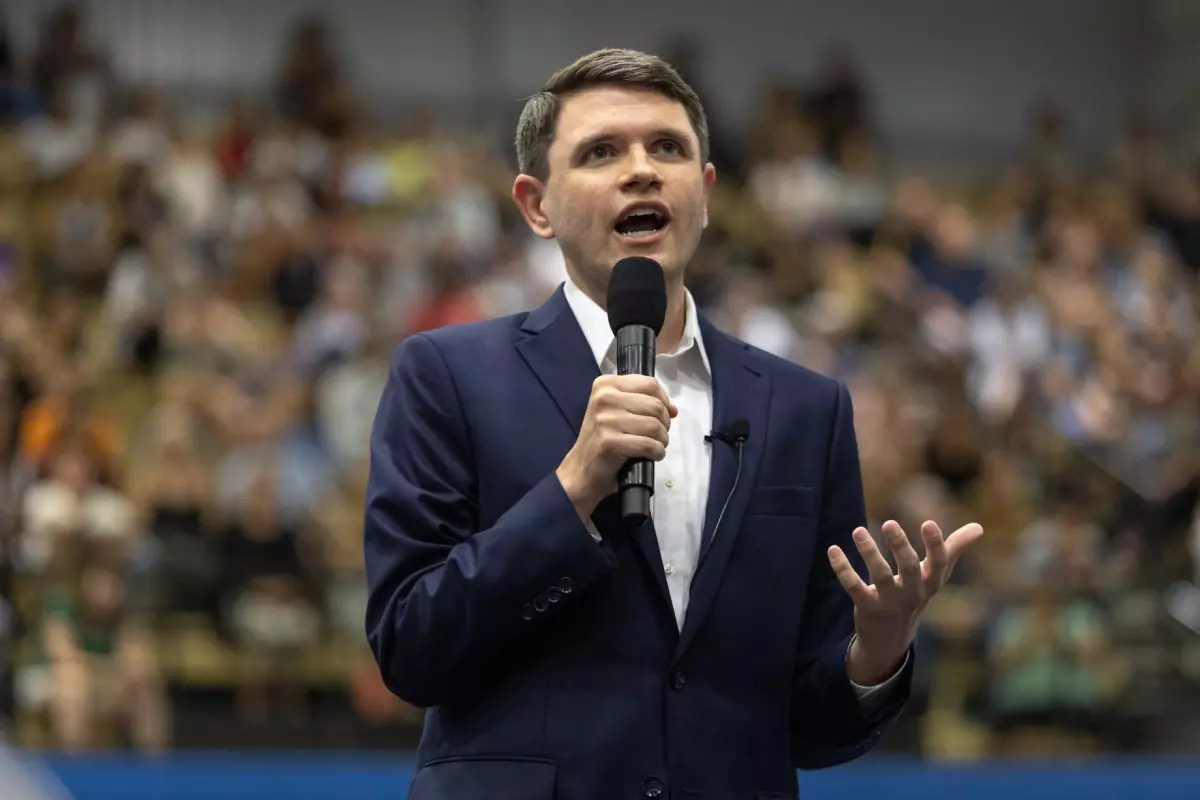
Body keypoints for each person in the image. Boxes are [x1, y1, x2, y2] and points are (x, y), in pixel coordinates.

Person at [363, 48, 984, 799]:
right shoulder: (449, 375)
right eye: (600, 152)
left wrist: (876, 652)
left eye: (668, 148)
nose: (642, 170)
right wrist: (570, 492)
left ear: (706, 190)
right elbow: (409, 647)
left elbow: (811, 729)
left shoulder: (806, 410)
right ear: (537, 206)